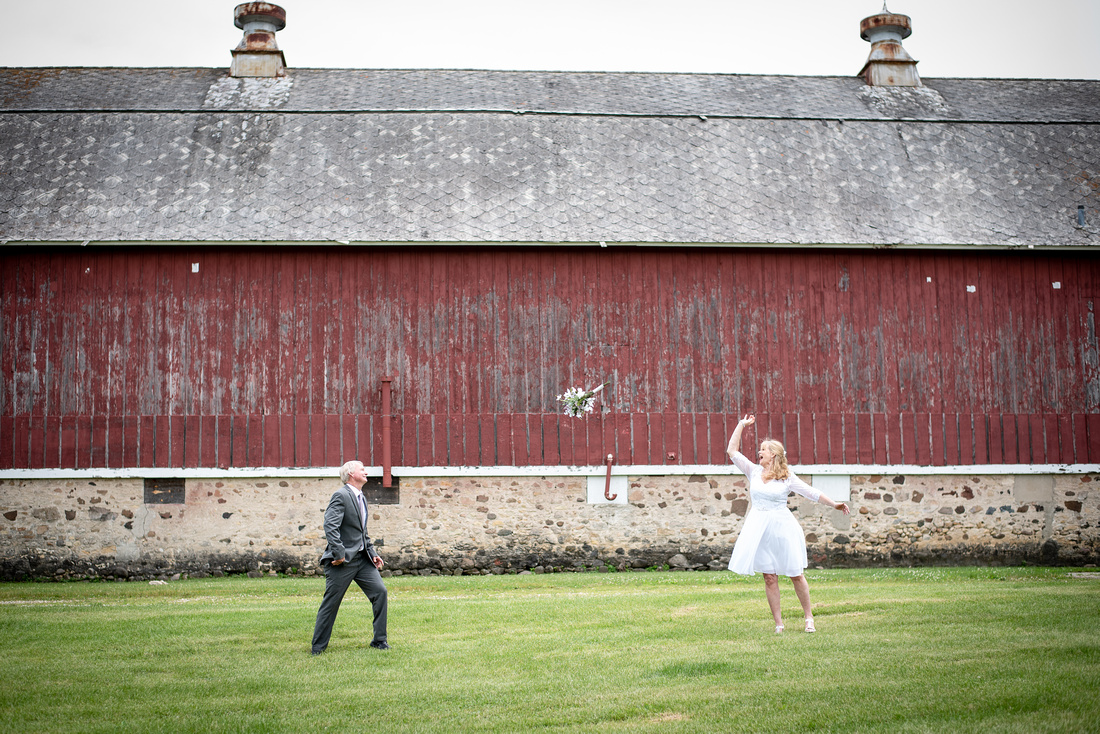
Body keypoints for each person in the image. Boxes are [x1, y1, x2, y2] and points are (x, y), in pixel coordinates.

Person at [726, 414, 850, 633]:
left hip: (782, 528)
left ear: (772, 454)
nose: (759, 452)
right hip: (759, 529)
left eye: (763, 450)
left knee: (795, 574)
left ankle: (809, 618)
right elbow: (732, 452)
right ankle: (778, 623)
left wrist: (834, 504)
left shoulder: (786, 476)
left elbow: (811, 492)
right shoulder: (753, 471)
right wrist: (741, 425)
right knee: (769, 577)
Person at [311, 460, 389, 654]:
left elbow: (362, 532)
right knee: (331, 603)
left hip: (363, 561)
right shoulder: (340, 496)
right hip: (342, 562)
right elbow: (331, 526)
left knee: (380, 592)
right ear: (351, 474)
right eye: (362, 470)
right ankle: (318, 648)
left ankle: (379, 641)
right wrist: (339, 554)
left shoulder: (361, 497)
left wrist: (372, 553)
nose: (366, 472)